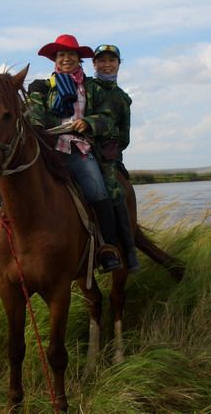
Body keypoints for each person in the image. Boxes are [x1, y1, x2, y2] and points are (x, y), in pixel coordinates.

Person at [27, 34, 123, 273]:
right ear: (55, 60)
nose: (66, 59)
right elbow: (35, 114)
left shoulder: (93, 87)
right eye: (62, 55)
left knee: (98, 191)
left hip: (79, 148)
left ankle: (107, 247)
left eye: (71, 54)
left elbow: (108, 118)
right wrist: (39, 126)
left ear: (79, 59)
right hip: (50, 149)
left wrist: (89, 122)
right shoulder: (41, 87)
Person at [92, 44, 140, 272]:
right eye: (101, 60)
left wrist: (110, 146)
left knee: (113, 190)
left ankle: (127, 248)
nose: (107, 65)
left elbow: (125, 136)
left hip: (106, 155)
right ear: (94, 64)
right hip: (77, 148)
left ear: (119, 65)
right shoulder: (86, 87)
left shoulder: (122, 99)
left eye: (112, 60)